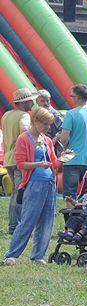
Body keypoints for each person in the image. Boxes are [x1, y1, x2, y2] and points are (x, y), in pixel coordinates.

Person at [3, 108, 58, 265]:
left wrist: (65, 157)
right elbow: (21, 164)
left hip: (49, 184)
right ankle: (12, 254)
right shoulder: (23, 139)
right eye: (45, 124)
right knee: (28, 219)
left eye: (49, 124)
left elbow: (53, 162)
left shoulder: (46, 140)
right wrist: (39, 164)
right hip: (34, 183)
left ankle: (38, 255)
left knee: (47, 220)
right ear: (35, 121)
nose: (48, 127)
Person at [58, 84, 87, 198]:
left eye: (72, 96)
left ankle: (71, 216)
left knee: (69, 194)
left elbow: (64, 138)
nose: (71, 98)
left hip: (71, 157)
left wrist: (64, 149)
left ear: (77, 97)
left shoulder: (71, 113)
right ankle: (85, 215)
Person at [2, 87, 36, 235]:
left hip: (9, 158)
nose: (33, 104)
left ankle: (13, 225)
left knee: (15, 193)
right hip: (20, 158)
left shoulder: (6, 115)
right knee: (20, 193)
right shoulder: (24, 116)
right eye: (31, 101)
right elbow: (25, 130)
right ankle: (16, 225)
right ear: (24, 103)